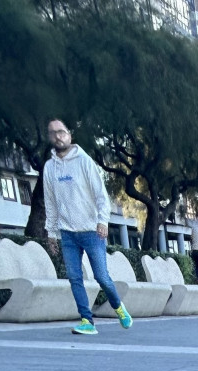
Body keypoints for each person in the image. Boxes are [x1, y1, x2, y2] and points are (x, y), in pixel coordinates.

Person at [43, 119, 131, 337]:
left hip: (92, 230)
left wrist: (103, 221)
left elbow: (101, 195)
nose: (57, 136)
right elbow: (51, 202)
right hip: (68, 233)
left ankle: (118, 307)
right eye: (53, 133)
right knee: (74, 277)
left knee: (102, 277)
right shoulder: (49, 167)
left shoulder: (84, 161)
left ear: (69, 134)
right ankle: (87, 321)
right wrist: (52, 233)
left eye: (61, 132)